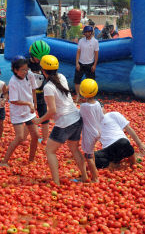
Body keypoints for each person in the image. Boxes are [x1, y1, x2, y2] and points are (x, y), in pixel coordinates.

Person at [33, 55, 88, 185]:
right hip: (76, 118)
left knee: (50, 151)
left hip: (65, 122)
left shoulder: (48, 87)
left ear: (43, 70)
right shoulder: (62, 77)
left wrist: (39, 120)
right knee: (74, 148)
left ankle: (56, 182)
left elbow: (52, 110)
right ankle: (85, 177)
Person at [1, 57, 39, 166]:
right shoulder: (13, 82)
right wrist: (29, 103)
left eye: (26, 69)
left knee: (36, 135)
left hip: (29, 111)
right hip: (17, 112)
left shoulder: (30, 75)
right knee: (20, 137)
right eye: (22, 70)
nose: (25, 72)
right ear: (15, 70)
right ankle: (4, 162)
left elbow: (33, 89)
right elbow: (14, 101)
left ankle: (31, 159)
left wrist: (34, 103)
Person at [79, 79, 103, 182]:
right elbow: (101, 116)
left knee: (88, 156)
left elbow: (79, 116)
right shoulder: (97, 104)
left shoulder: (84, 106)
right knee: (91, 153)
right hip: (98, 131)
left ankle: (95, 178)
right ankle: (94, 172)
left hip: (89, 134)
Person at [27, 40, 51, 143]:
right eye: (38, 57)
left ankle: (45, 139)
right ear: (32, 55)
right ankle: (25, 137)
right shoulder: (26, 64)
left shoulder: (44, 64)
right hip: (29, 97)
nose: (40, 59)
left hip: (41, 95)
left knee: (44, 117)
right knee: (28, 118)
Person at [74, 25, 99, 103]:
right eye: (86, 32)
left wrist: (94, 65)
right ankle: (78, 95)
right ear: (84, 33)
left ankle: (90, 97)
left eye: (88, 32)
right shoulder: (81, 41)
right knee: (77, 80)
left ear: (91, 33)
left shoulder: (95, 42)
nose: (87, 33)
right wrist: (77, 63)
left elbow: (96, 55)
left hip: (90, 64)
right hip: (81, 63)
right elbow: (78, 52)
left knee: (91, 81)